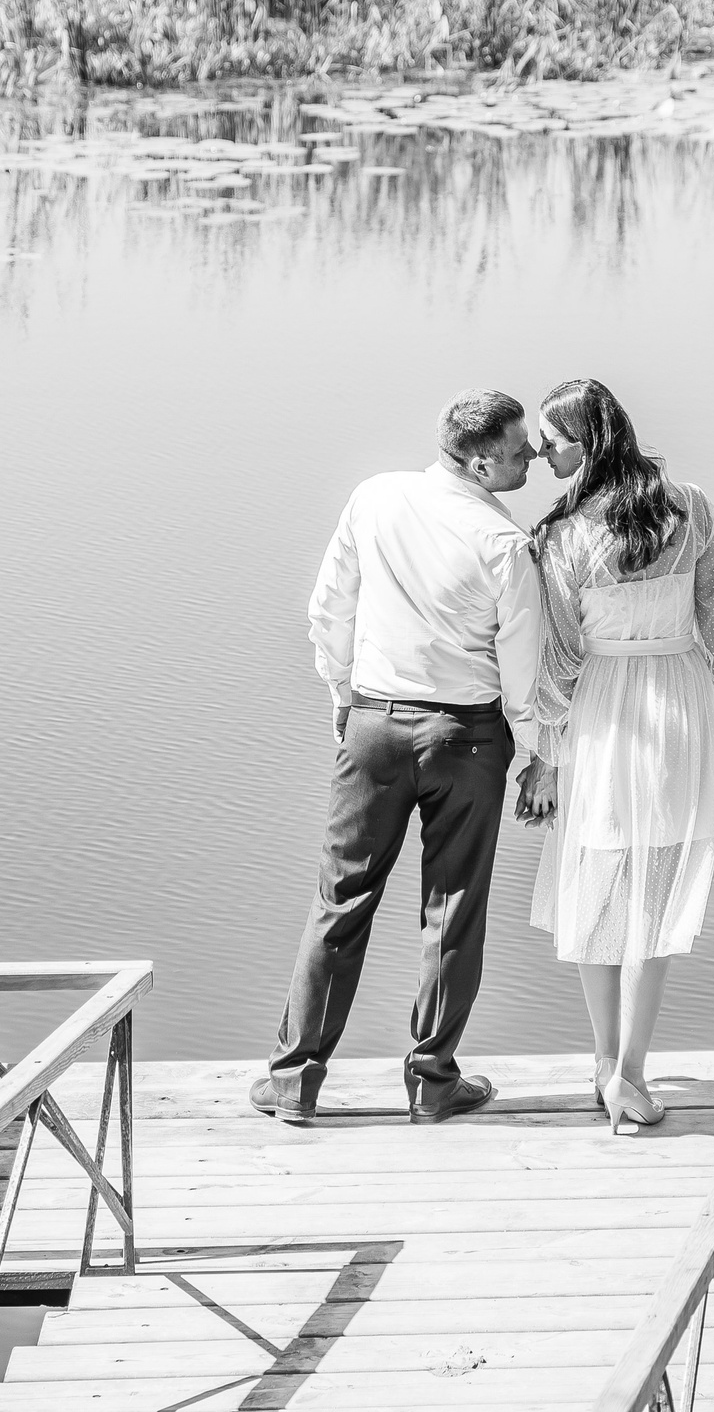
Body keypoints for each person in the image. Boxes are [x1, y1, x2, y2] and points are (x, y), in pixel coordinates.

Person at [252, 391, 547, 1127]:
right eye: (518, 452)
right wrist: (539, 753)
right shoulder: (504, 543)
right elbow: (523, 669)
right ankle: (432, 1082)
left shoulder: (375, 497)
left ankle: (293, 1080)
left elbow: (330, 607)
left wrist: (341, 694)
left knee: (340, 900)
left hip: (375, 727)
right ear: (479, 459)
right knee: (452, 912)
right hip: (468, 739)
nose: (531, 460)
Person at [518, 378, 714, 1133]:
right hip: (679, 701)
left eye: (553, 439)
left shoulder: (560, 535)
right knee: (652, 888)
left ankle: (604, 1064)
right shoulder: (692, 505)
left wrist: (544, 754)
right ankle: (631, 1070)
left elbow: (558, 659)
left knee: (595, 875)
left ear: (586, 444)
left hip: (602, 708)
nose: (540, 449)